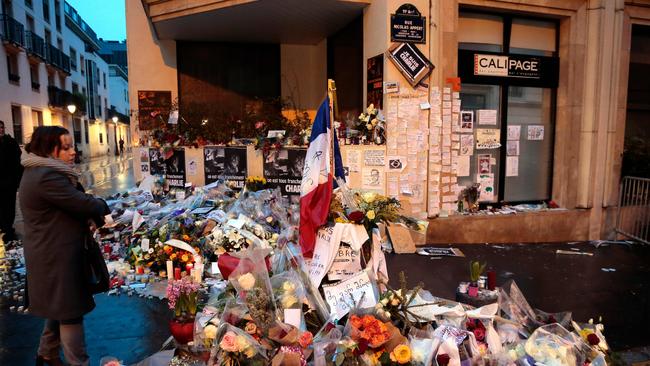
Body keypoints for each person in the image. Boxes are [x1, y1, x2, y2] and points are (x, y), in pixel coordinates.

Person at [19, 126, 109, 366]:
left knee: (60, 304)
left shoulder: (43, 171)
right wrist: (99, 206)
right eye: (66, 147)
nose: (73, 152)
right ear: (49, 149)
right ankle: (78, 362)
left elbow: (69, 205)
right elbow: (81, 202)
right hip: (55, 255)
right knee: (70, 311)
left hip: (54, 251)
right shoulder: (46, 176)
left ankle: (46, 353)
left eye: (73, 146)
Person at [0, 120, 23, 242]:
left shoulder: (11, 142)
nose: (1, 129)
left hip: (9, 182)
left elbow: (17, 160)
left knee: (9, 205)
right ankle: (4, 226)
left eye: (2, 127)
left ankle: (8, 227)